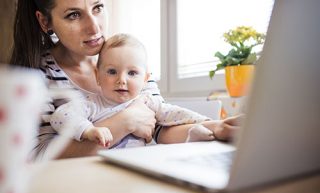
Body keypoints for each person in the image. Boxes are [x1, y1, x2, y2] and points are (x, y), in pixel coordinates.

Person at [10, 0, 242, 160]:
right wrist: (125, 121)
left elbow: (157, 128)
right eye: (74, 14)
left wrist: (216, 127)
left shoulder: (125, 55)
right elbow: (38, 155)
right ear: (44, 21)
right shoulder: (34, 76)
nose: (94, 27)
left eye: (98, 7)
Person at [50, 33, 216, 149]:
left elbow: (172, 113)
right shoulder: (92, 104)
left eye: (132, 73)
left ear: (145, 79)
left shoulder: (146, 101)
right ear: (97, 76)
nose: (122, 80)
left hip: (136, 165)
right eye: (112, 71)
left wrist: (202, 121)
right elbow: (59, 117)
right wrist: (88, 130)